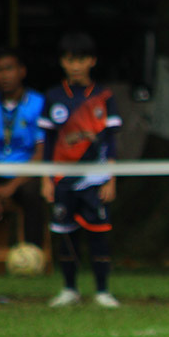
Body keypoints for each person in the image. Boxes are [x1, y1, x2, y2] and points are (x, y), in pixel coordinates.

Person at [38, 31, 122, 307]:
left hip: (94, 178)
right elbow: (48, 142)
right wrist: (47, 178)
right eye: (70, 59)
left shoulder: (104, 97)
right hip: (62, 177)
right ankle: (69, 288)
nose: (75, 65)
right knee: (65, 235)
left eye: (81, 59)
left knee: (99, 233)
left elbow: (110, 141)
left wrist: (110, 178)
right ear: (62, 62)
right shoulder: (52, 97)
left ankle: (102, 290)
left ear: (92, 61)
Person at [0, 47, 46, 248]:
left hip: (25, 174)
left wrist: (10, 187)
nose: (4, 75)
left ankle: (32, 254)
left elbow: (40, 153)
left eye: (9, 68)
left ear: (22, 71)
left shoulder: (38, 103)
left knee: (32, 194)